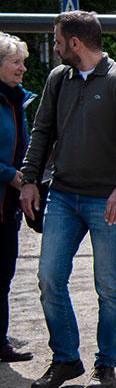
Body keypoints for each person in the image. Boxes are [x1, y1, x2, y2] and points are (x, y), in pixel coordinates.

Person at [21, 11, 116, 388]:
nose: (56, 47)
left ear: (75, 43)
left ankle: (106, 364)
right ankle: (66, 359)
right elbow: (42, 130)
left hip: (107, 199)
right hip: (62, 196)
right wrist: (29, 180)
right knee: (48, 278)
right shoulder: (58, 78)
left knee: (108, 285)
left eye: (58, 41)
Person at [0, 32, 33, 362]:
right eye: (16, 62)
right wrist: (9, 175)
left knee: (4, 275)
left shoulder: (16, 100)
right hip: (4, 193)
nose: (23, 68)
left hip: (8, 208)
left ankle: (0, 341)